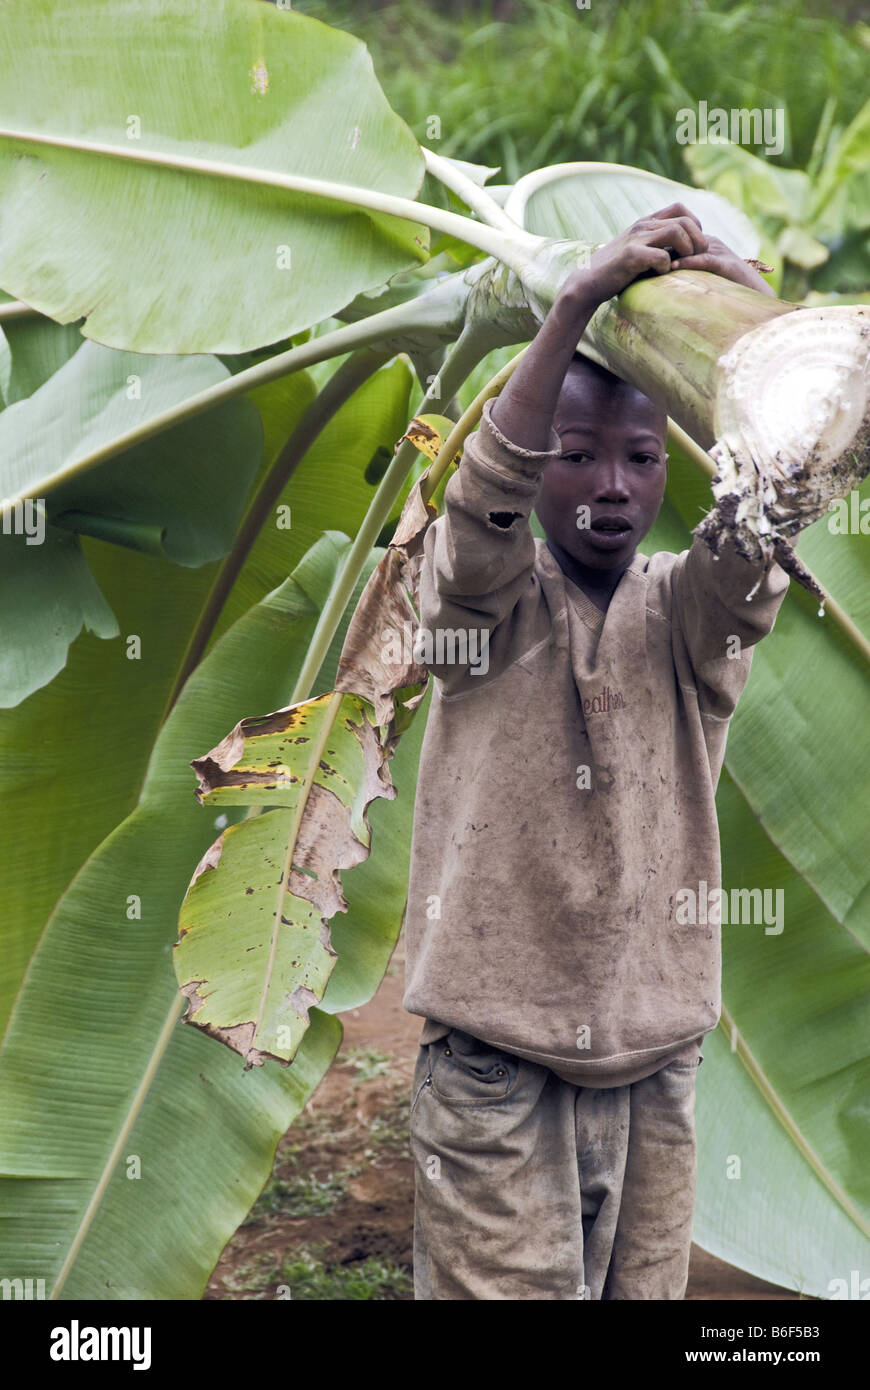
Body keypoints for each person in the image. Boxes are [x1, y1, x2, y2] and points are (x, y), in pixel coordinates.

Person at [402, 203, 790, 1300]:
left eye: (639, 457)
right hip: (496, 1075)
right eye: (576, 456)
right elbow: (480, 507)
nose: (613, 485)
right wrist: (571, 305)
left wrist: (749, 326)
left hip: (656, 1075)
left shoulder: (691, 616)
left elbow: (767, 512)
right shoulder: (481, 612)